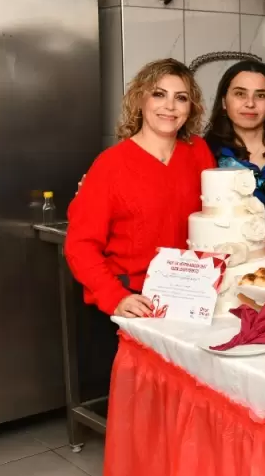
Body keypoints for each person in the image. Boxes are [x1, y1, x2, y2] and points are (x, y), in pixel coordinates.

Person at [66, 59, 214, 396]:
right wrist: (115, 297)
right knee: (145, 402)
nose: (169, 106)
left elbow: (212, 220)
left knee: (191, 398)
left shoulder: (198, 152)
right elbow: (80, 245)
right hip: (136, 302)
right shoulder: (110, 165)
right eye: (159, 94)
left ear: (191, 107)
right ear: (140, 99)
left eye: (180, 97)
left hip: (190, 299)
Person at [204, 60, 265, 213]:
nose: (250, 103)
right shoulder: (206, 154)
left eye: (260, 95)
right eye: (240, 94)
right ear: (224, 102)